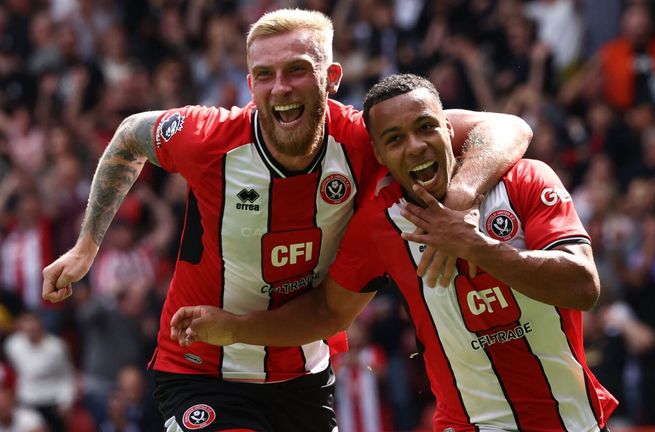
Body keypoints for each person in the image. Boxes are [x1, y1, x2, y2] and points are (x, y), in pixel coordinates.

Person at [41, 8, 532, 432]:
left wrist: (461, 199)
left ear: (331, 77)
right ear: (249, 81)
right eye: (265, 74)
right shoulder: (209, 139)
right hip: (201, 369)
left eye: (297, 70)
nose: (281, 88)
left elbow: (508, 126)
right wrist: (87, 245)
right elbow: (131, 135)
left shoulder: (364, 139)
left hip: (304, 372)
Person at [171, 73, 618, 431]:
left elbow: (583, 286)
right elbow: (329, 312)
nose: (416, 146)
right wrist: (238, 329)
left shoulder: (524, 181)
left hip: (573, 418)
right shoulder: (379, 223)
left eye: (426, 127)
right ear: (381, 155)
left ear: (449, 127)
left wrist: (473, 244)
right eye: (395, 139)